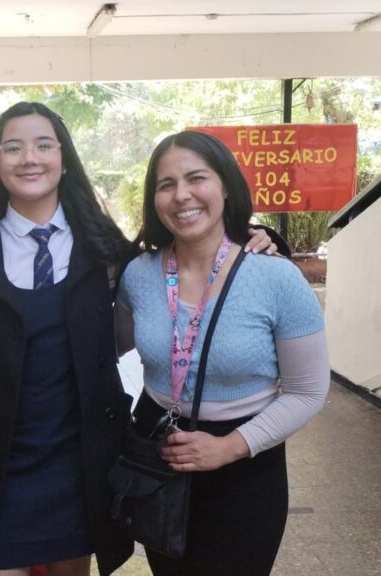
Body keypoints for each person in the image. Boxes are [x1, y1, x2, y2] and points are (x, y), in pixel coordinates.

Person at [0, 102, 280, 576]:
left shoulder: (106, 250)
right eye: (13, 148)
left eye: (43, 145)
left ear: (64, 160)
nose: (29, 158)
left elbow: (188, 250)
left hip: (80, 461)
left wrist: (255, 235)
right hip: (0, 462)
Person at [115, 130, 329, 576]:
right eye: (166, 184)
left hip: (247, 465)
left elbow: (308, 391)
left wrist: (229, 447)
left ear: (226, 186)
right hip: (160, 453)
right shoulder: (138, 274)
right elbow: (106, 349)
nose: (182, 195)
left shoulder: (275, 278)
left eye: (197, 178)